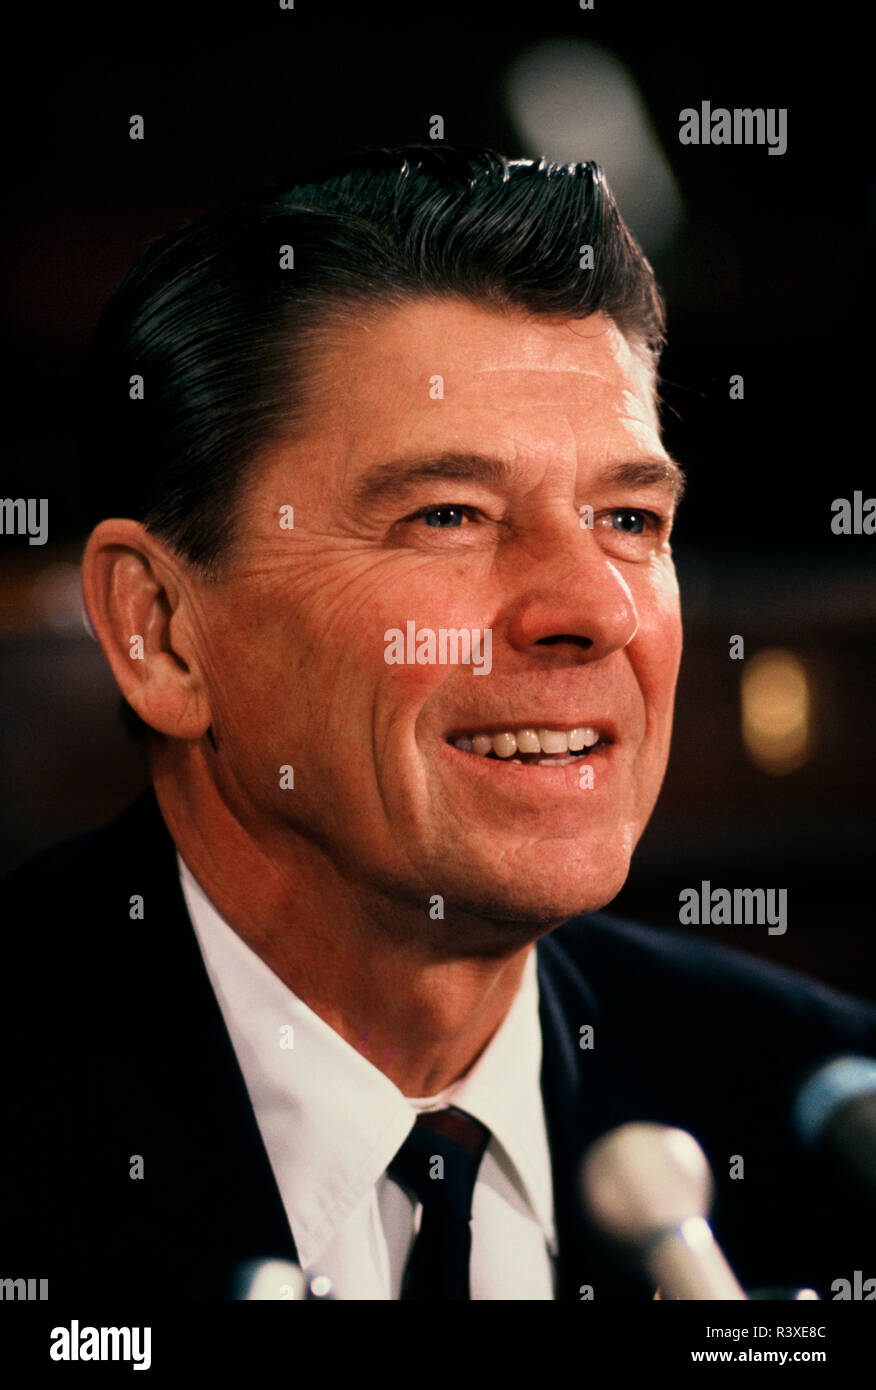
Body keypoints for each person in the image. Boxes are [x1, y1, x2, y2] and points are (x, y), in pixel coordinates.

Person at [2, 146, 873, 1301]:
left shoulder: (831, 1116)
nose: (594, 609)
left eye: (628, 516)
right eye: (447, 514)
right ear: (161, 629)